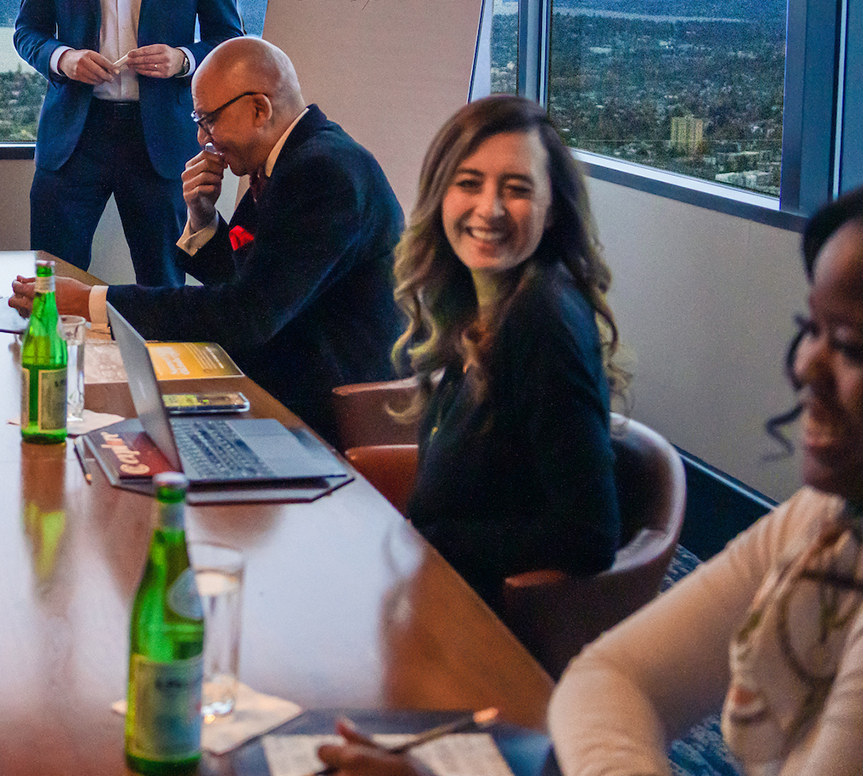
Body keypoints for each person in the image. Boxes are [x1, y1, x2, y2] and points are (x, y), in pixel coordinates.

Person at [320, 184, 863, 776]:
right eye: (811, 329)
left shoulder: (545, 320)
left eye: (850, 346)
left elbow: (583, 535)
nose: (805, 366)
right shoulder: (823, 519)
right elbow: (608, 678)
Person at [10, 36, 401, 444]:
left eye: (208, 120)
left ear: (259, 109)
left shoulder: (322, 172)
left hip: (327, 413)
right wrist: (203, 217)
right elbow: (249, 281)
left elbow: (246, 315)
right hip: (283, 379)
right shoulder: (291, 157)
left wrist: (92, 302)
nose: (202, 139)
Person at [393, 95, 623, 609]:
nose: (489, 208)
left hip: (485, 627)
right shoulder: (477, 303)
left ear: (552, 210)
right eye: (469, 183)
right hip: (434, 593)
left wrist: (431, 542)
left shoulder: (543, 320)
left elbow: (590, 535)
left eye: (517, 189)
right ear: (440, 194)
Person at [13, 0, 242, 287]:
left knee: (164, 287)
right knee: (49, 285)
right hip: (74, 140)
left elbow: (229, 40)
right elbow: (27, 31)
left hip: (160, 141)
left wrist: (182, 60)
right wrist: (65, 59)